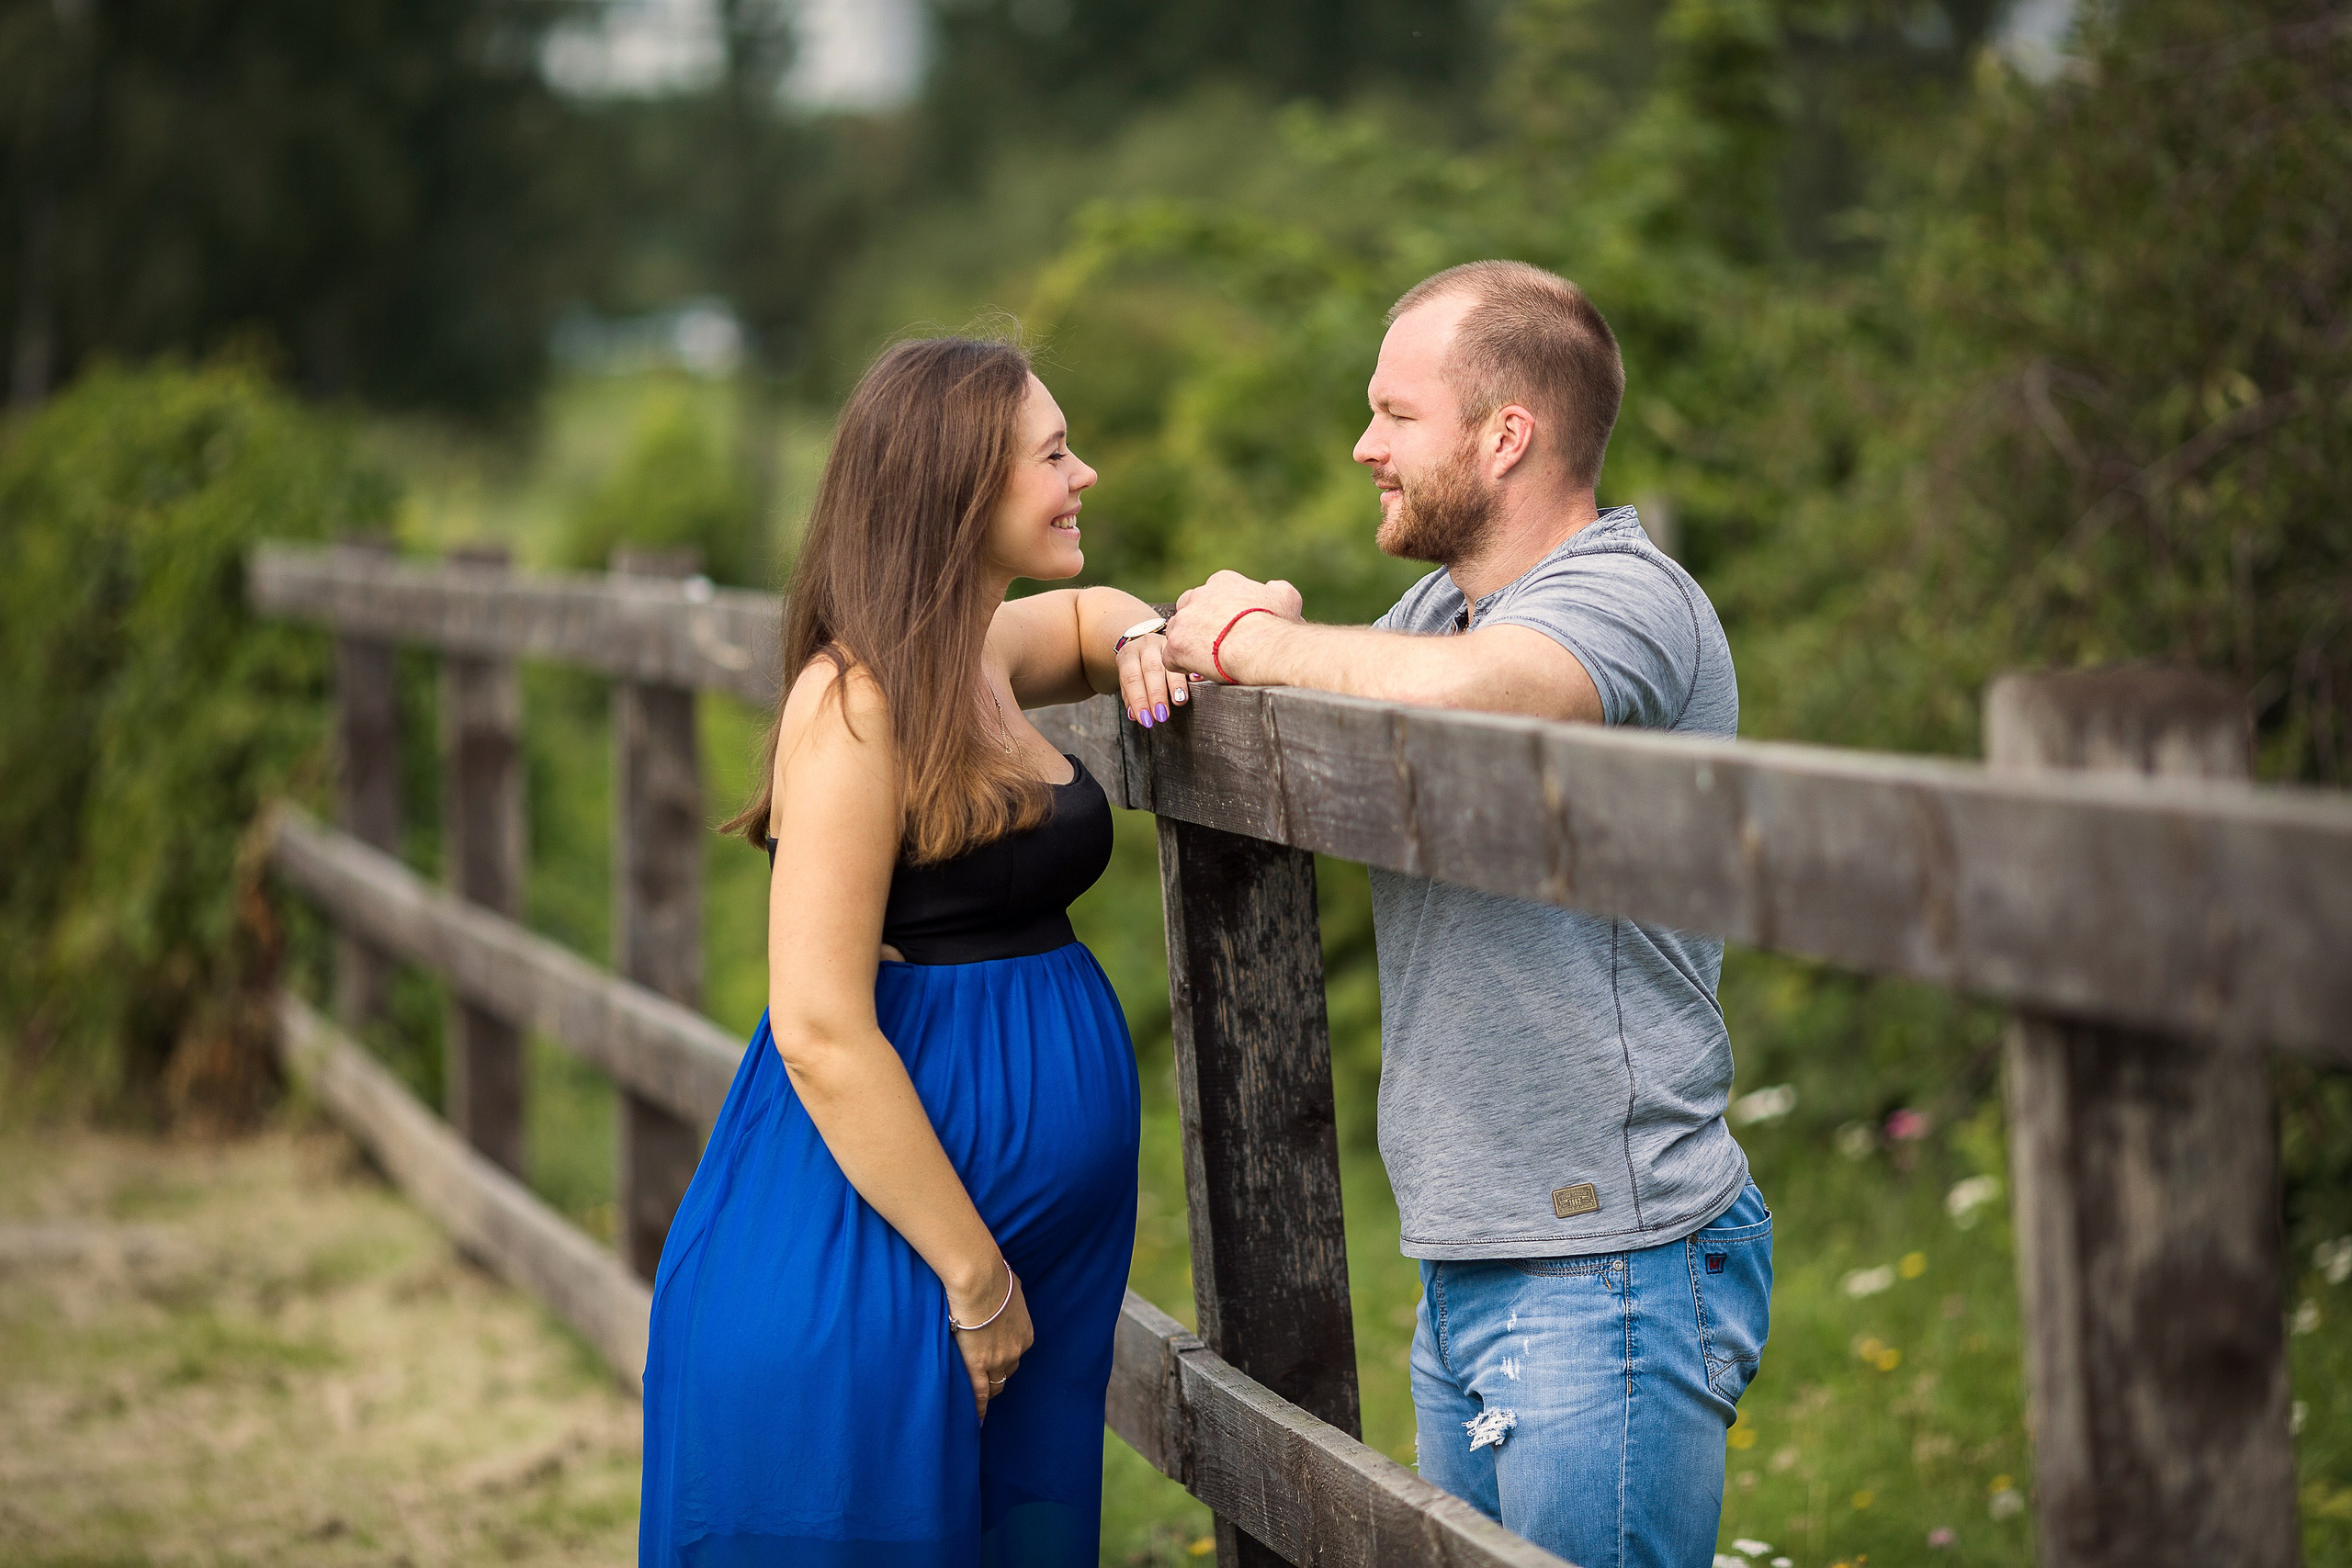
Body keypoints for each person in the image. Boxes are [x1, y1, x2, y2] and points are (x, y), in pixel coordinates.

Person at [1163, 261, 1770, 1568]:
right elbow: (1368, 681)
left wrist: (1253, 643)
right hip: (1481, 1249)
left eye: (1395, 413)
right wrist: (1203, 636)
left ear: (1506, 436)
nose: (1363, 446)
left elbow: (1486, 691)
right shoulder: (1442, 609)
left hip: (1610, 1250)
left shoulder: (1626, 598)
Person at [638, 335, 1190, 1567]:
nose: (1084, 474)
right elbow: (820, 1027)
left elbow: (1095, 616)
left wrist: (1148, 629)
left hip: (1007, 1259)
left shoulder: (977, 655)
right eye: (1053, 456)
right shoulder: (856, 704)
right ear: (957, 492)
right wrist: (977, 1281)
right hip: (890, 1260)